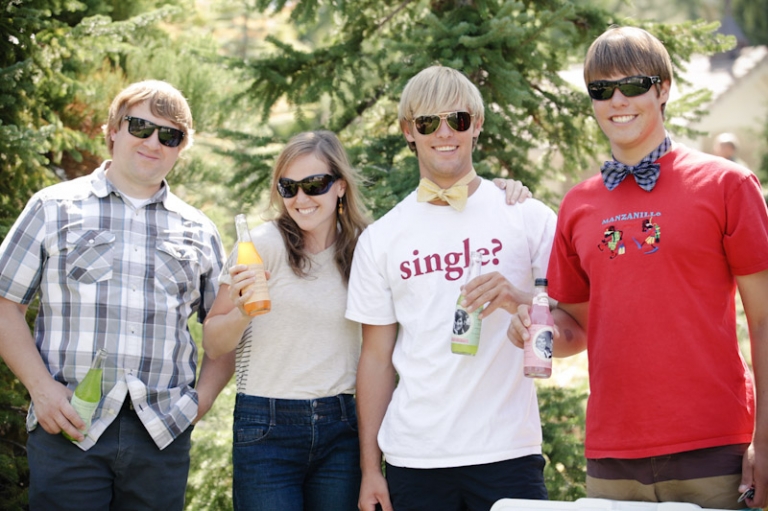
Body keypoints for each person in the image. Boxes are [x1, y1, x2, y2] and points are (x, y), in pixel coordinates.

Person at [507, 26, 768, 510]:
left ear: (663, 88)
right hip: (612, 460)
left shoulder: (727, 184)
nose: (616, 100)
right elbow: (578, 330)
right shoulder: (578, 205)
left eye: (632, 84)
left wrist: (767, 439)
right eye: (601, 90)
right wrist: (531, 328)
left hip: (714, 451)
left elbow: (764, 322)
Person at [0, 80, 234, 510]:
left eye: (170, 135)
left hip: (161, 436)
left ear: (182, 147)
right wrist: (41, 389)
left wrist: (199, 404)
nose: (153, 142)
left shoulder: (200, 231)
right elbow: (4, 304)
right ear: (112, 130)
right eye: (140, 126)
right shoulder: (52, 207)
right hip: (69, 426)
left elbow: (224, 331)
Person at [346, 65, 559, 511]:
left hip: (508, 452)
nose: (444, 133)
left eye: (457, 119)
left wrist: (518, 300)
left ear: (477, 125)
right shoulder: (382, 238)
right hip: (415, 457)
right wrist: (371, 468)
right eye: (427, 122)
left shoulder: (526, 215)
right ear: (409, 131)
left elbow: (572, 314)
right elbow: (375, 360)